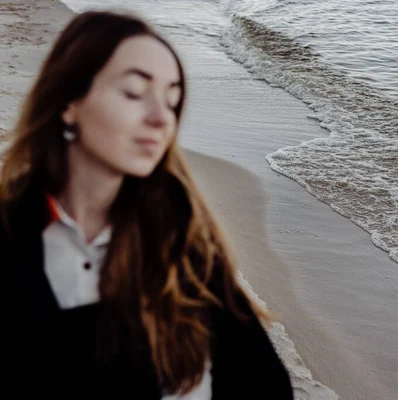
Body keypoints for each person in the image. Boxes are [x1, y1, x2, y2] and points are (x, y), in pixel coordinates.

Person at [0, 10, 293, 400]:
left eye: (171, 100)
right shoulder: (10, 230)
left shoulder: (182, 235)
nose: (161, 119)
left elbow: (264, 385)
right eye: (135, 93)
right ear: (69, 101)